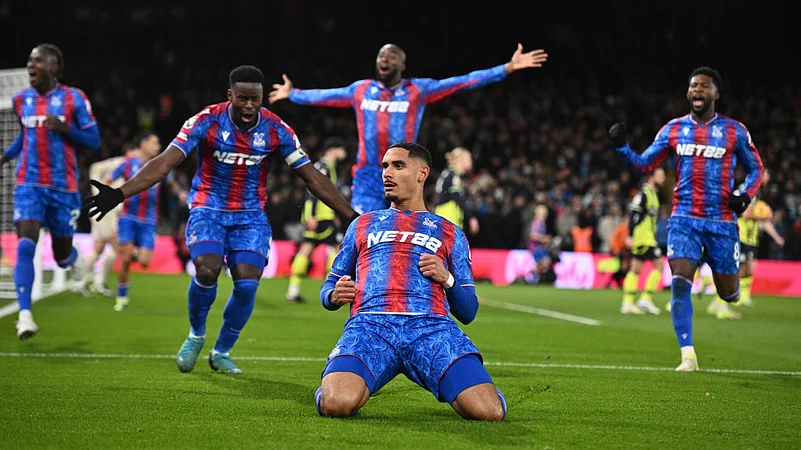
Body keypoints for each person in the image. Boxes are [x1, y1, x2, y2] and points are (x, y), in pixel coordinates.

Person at [84, 65, 357, 374]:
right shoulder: (206, 121)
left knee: (247, 285)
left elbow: (312, 178)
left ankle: (222, 351)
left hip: (250, 217)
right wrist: (119, 193)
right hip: (208, 209)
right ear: (230, 95)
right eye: (242, 98)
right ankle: (196, 335)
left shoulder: (276, 129)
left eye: (255, 99)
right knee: (207, 269)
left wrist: (351, 216)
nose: (249, 105)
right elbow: (164, 163)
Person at [315, 142, 506, 421]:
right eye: (385, 166)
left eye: (398, 165)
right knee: (336, 404)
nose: (387, 173)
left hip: (431, 330)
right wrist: (333, 295)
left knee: (489, 412)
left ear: (422, 173)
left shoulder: (451, 232)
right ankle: (340, 381)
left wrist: (447, 279)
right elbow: (329, 285)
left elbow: (468, 311)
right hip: (370, 327)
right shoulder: (363, 224)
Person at [268, 43, 548, 214]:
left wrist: (506, 68)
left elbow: (462, 82)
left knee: (401, 234)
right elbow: (324, 96)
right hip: (368, 174)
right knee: (365, 230)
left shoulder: (417, 90)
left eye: (391, 56)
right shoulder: (361, 90)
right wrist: (293, 94)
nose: (384, 59)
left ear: (402, 64)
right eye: (381, 56)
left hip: (405, 173)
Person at [609, 66, 764, 371]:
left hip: (721, 222)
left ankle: (728, 290)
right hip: (684, 219)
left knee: (728, 293)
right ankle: (688, 354)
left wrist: (745, 195)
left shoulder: (734, 131)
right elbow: (644, 165)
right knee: (680, 282)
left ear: (715, 94)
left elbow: (756, 169)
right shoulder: (673, 129)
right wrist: (622, 146)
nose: (697, 90)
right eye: (693, 85)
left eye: (703, 86)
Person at [0, 43, 100, 340]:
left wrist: (66, 129)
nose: (30, 65)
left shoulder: (74, 98)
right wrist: (5, 156)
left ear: (53, 67)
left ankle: (72, 258)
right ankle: (25, 316)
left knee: (60, 255)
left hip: (63, 188)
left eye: (37, 61)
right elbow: (25, 136)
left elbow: (94, 140)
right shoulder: (21, 100)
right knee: (25, 244)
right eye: (30, 60)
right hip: (29, 184)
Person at [103, 131, 183, 311]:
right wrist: (106, 196)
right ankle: (122, 297)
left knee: (144, 262)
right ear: (143, 144)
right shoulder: (128, 163)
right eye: (155, 143)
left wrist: (181, 194)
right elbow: (108, 179)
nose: (158, 147)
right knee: (125, 259)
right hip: (128, 218)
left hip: (149, 220)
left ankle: (132, 252)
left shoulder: (160, 164)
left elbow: (171, 183)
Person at [708, 168, 784, 313]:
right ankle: (719, 301)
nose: (767, 177)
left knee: (748, 269)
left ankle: (733, 295)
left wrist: (775, 234)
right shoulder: (744, 189)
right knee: (737, 270)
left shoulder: (759, 193)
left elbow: (761, 218)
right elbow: (740, 211)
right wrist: (761, 213)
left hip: (751, 238)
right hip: (739, 236)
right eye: (765, 174)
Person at [285, 137, 348, 303]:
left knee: (309, 249)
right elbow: (313, 191)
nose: (345, 153)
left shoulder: (326, 167)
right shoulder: (323, 167)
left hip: (324, 216)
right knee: (336, 249)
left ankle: (293, 290)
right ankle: (331, 289)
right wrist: (312, 215)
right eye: (342, 150)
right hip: (321, 217)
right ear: (333, 149)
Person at [80, 142, 136, 297]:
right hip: (107, 210)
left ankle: (81, 282)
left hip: (113, 211)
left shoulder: (134, 166)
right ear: (129, 151)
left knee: (99, 248)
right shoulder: (119, 163)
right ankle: (96, 282)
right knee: (117, 247)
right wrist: (98, 193)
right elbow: (95, 167)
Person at [619, 167, 666, 315]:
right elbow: (633, 214)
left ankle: (627, 303)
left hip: (646, 237)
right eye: (660, 176)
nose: (663, 179)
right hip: (644, 238)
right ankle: (645, 299)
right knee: (660, 265)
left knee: (635, 269)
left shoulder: (653, 194)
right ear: (651, 177)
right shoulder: (643, 194)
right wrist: (630, 235)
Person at [434, 147, 479, 235]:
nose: (471, 162)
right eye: (469, 159)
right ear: (460, 159)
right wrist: (471, 217)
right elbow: (458, 197)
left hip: (441, 216)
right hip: (449, 218)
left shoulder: (447, 173)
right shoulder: (454, 176)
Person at [526, 205, 552, 284]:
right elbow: (532, 235)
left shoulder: (541, 223)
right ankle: (532, 273)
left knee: (545, 262)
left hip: (539, 246)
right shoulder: (537, 222)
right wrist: (544, 239)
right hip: (535, 246)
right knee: (546, 261)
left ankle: (533, 275)